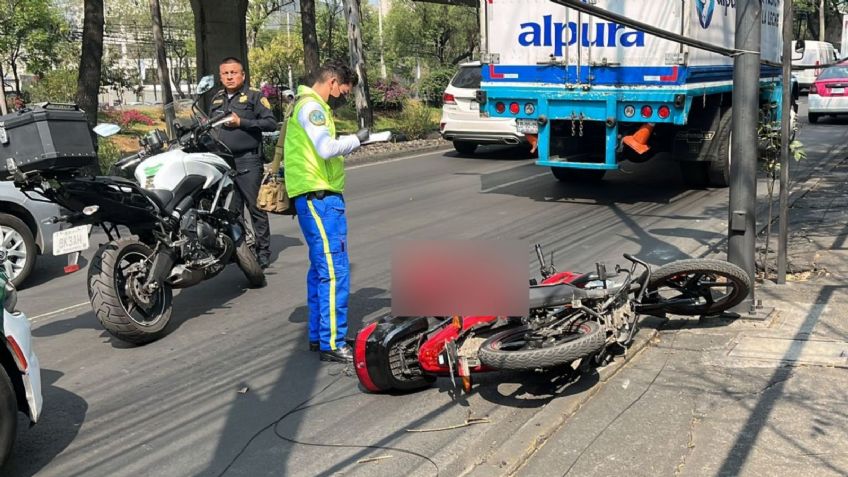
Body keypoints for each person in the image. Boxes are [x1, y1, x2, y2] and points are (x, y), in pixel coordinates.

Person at [284, 61, 370, 363]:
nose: (341, 97)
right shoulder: (313, 108)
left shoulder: (306, 104)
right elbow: (325, 148)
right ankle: (332, 342)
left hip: (313, 197)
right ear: (332, 81)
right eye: (342, 91)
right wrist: (357, 139)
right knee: (335, 271)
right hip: (319, 198)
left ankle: (321, 336)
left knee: (321, 270)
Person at [209, 57, 278, 269]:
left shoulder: (254, 96)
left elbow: (270, 123)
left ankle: (263, 250)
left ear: (243, 75)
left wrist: (242, 122)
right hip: (223, 163)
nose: (230, 77)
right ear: (220, 77)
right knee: (231, 210)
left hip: (248, 159)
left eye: (234, 72)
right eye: (225, 74)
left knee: (255, 207)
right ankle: (241, 251)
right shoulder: (216, 99)